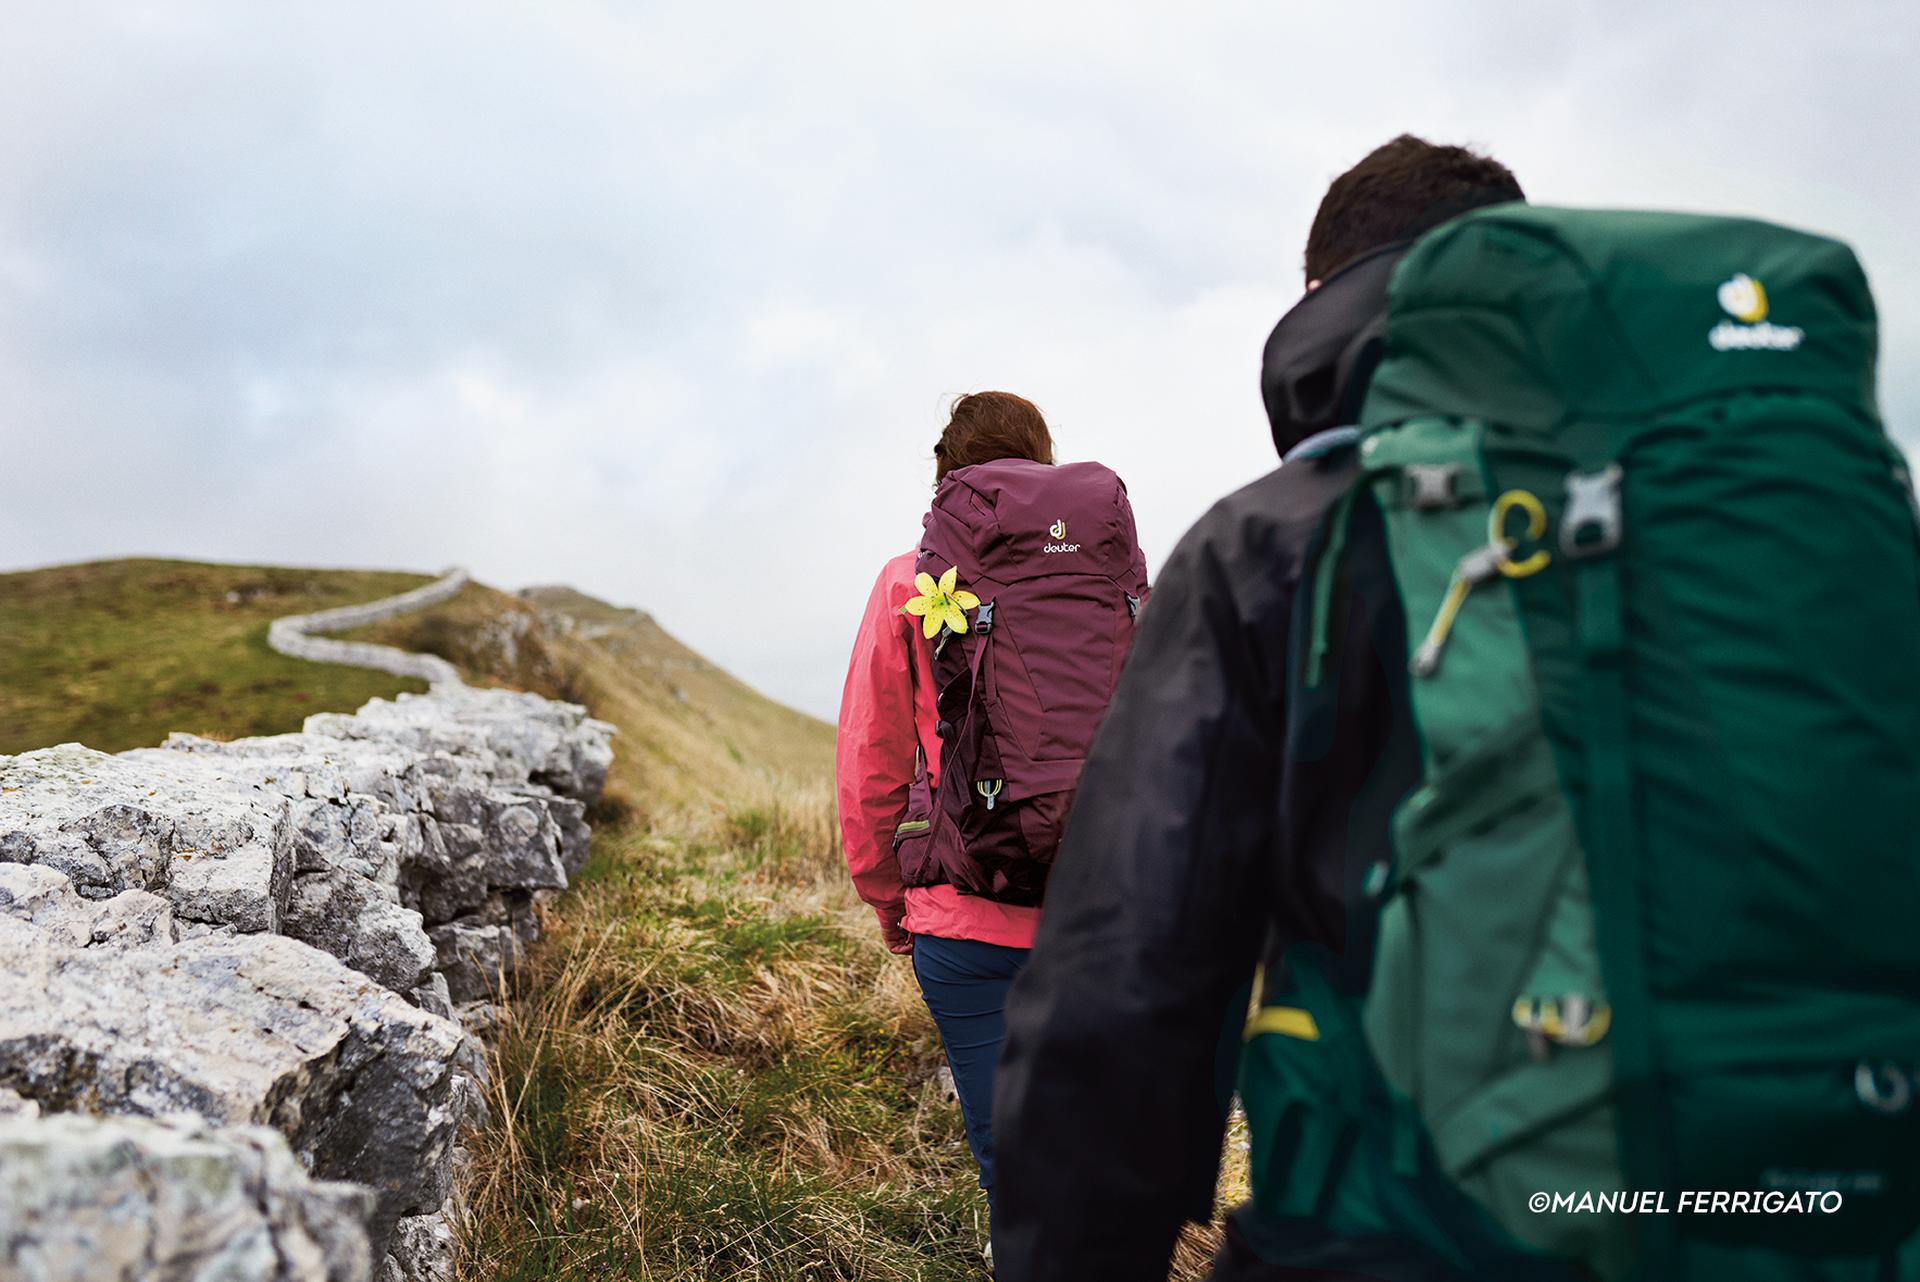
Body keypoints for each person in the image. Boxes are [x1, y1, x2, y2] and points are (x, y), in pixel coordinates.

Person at [991, 137, 1535, 1281]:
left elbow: (1125, 980)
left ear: (1321, 301)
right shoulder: (1756, 531)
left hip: (1401, 1231)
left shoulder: (1275, 544)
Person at [836, 389, 1147, 1269]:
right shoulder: (1114, 581)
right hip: (1105, 919)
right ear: (1042, 467)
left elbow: (870, 760)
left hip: (965, 923)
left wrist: (887, 897)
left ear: (948, 475)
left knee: (1014, 1167)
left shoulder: (911, 582)